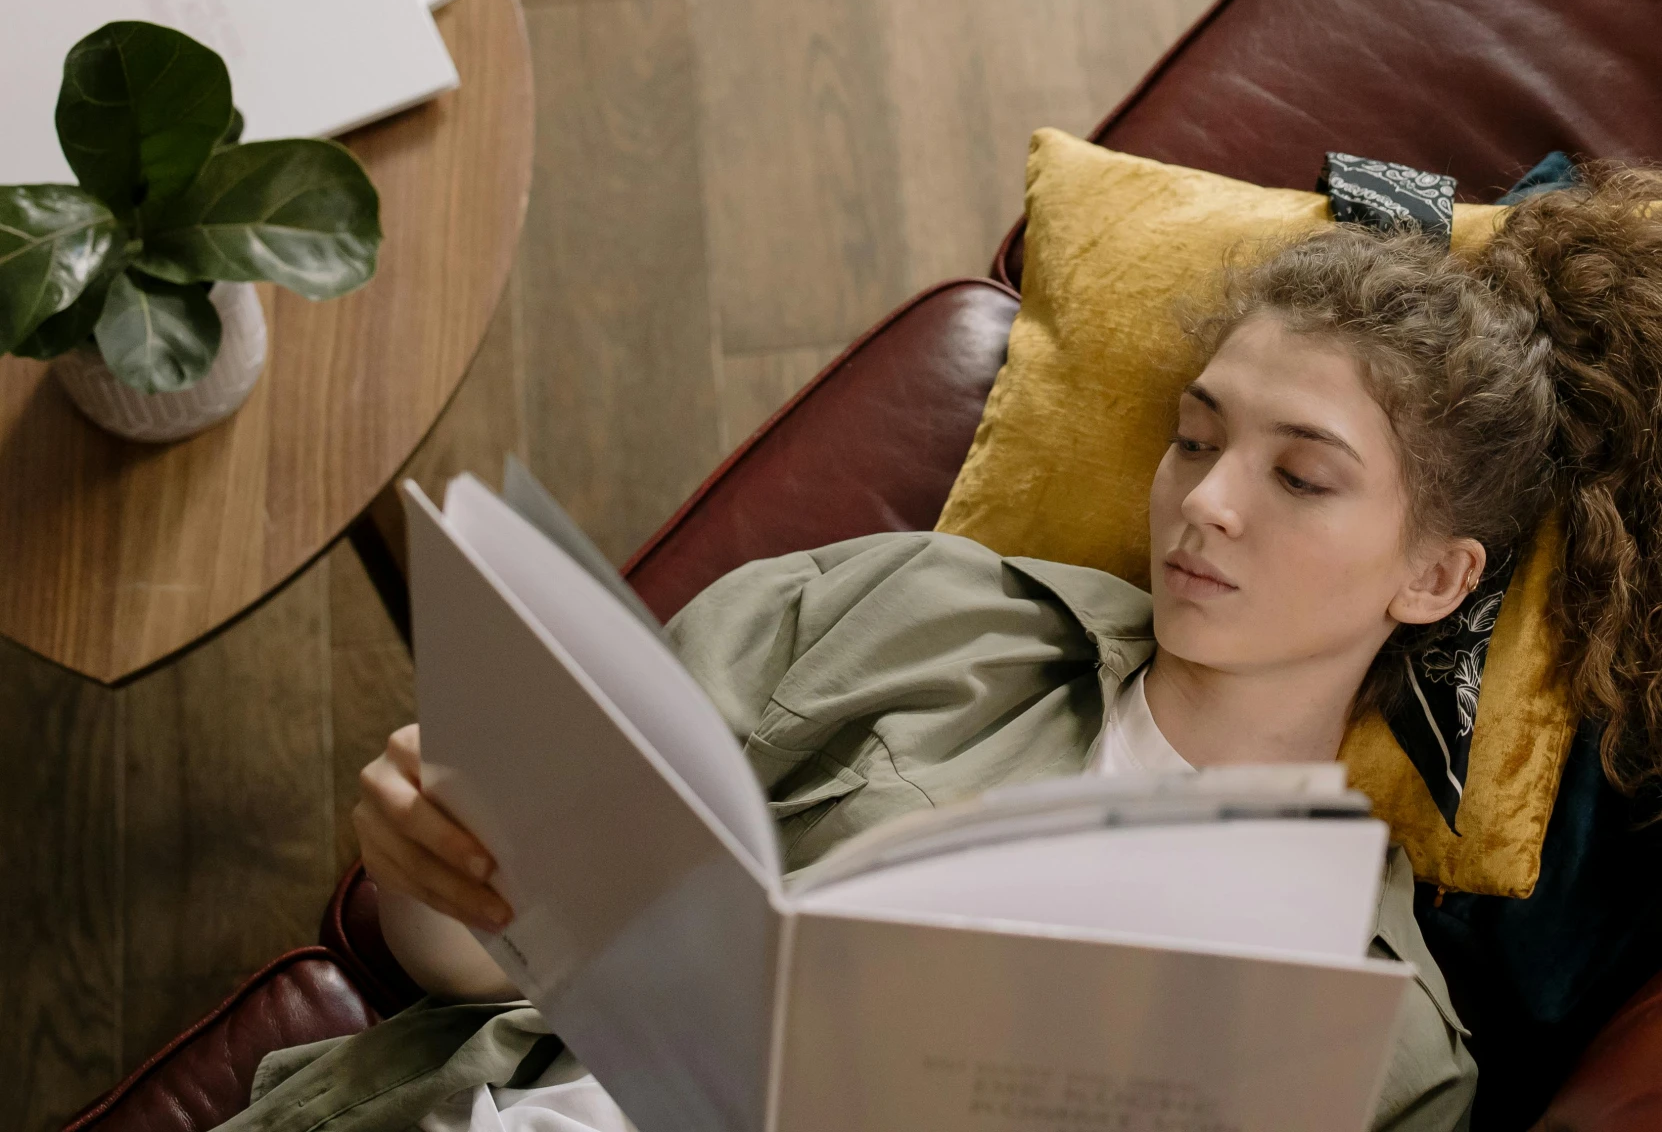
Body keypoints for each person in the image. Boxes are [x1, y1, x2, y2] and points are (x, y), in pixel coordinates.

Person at [239, 168, 1662, 1132]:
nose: (1205, 503)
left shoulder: (1381, 1040)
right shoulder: (918, 615)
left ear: (1433, 576)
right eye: (1194, 436)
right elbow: (477, 966)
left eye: (1300, 478)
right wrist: (439, 867)